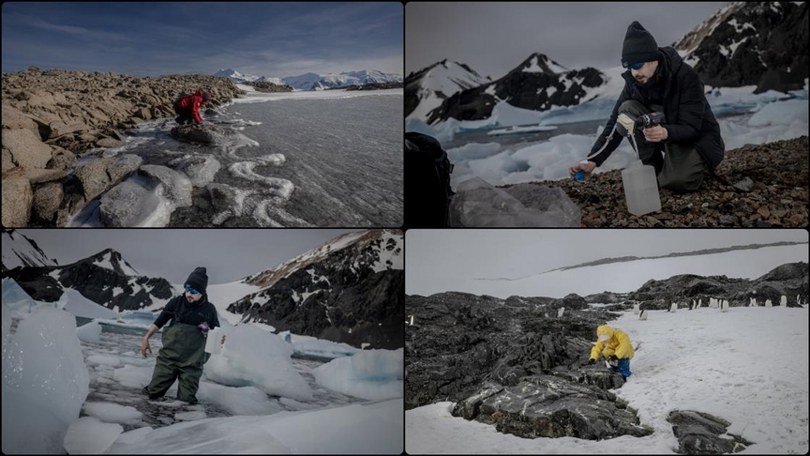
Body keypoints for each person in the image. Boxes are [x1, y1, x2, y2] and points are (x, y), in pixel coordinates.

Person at [568, 21, 724, 193]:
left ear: (653, 59)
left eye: (637, 65)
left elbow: (692, 128)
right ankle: (654, 168)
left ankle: (683, 169)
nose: (634, 73)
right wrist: (593, 161)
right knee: (626, 110)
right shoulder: (634, 83)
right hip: (666, 137)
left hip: (698, 141)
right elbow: (615, 122)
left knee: (678, 182)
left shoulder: (686, 77)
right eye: (629, 67)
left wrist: (666, 132)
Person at [140, 267, 220, 404]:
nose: (189, 294)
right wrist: (146, 337)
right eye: (187, 289)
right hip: (169, 358)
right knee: (153, 394)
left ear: (202, 292)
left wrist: (217, 338)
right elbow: (160, 321)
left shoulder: (209, 310)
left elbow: (216, 333)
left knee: (186, 401)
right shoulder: (176, 302)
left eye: (193, 292)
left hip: (192, 362)